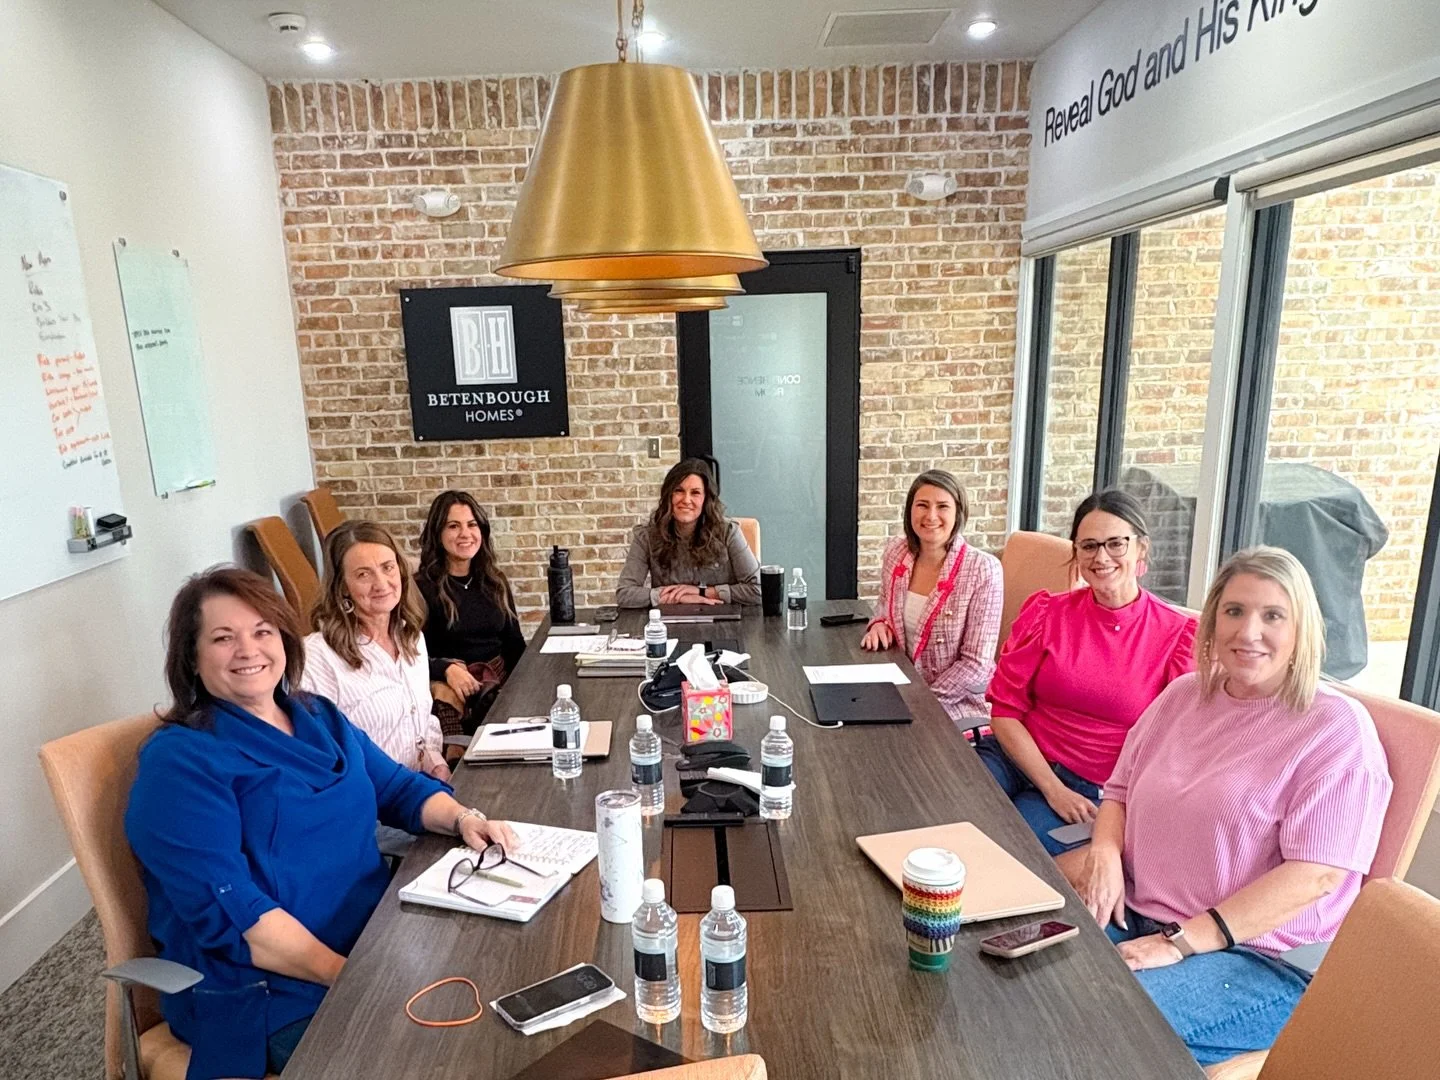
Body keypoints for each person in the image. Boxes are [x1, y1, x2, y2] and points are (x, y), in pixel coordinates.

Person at [125, 567, 515, 1079]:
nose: (248, 649)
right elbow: (239, 920)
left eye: (262, 631)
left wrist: (464, 818)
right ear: (191, 658)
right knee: (446, 1062)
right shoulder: (180, 763)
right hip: (277, 988)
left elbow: (397, 788)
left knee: (505, 995)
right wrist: (356, 979)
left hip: (377, 934)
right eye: (223, 638)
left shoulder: (317, 716)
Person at [1072, 546, 1392, 1067]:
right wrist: (1104, 854)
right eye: (1235, 611)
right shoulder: (1183, 695)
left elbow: (1316, 876)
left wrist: (1180, 943)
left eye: (1273, 616)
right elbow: (1120, 790)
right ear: (1213, 619)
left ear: (1301, 628)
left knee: (1094, 1028)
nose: (1249, 632)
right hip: (1138, 912)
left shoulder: (1336, 728)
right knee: (1018, 976)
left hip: (1257, 957)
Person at [981, 489, 1195, 855]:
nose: (1101, 557)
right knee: (944, 807)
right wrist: (1052, 788)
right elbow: (1005, 711)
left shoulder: (1177, 636)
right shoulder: (1047, 613)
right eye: (1089, 546)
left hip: (1089, 788)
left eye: (1116, 543)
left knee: (1011, 850)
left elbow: (1173, 747)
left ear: (1141, 549)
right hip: (1015, 756)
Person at [300, 520, 448, 781]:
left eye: (387, 568)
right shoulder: (317, 658)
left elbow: (423, 722)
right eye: (363, 574)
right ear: (342, 586)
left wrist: (437, 764)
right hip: (369, 798)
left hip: (420, 787)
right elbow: (316, 757)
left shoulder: (412, 638)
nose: (381, 583)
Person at [860, 469, 1002, 723]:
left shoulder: (983, 569)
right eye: (922, 505)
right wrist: (880, 623)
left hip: (954, 704)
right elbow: (884, 603)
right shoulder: (897, 551)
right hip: (899, 687)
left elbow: (976, 664)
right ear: (910, 511)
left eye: (942, 506)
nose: (931, 516)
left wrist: (920, 702)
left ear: (958, 513)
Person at [416, 491, 526, 736]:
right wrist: (445, 669)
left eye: (472, 524)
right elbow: (408, 657)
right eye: (453, 526)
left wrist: (527, 689)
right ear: (437, 533)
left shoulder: (495, 581)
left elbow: (514, 646)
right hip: (450, 693)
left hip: (497, 685)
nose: (465, 533)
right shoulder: (419, 588)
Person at [616, 458, 761, 608]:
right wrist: (676, 597)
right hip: (669, 620)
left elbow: (759, 590)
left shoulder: (729, 532)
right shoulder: (646, 536)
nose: (686, 500)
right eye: (679, 491)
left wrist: (704, 592)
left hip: (721, 619)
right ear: (669, 495)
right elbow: (625, 594)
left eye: (695, 493)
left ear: (706, 499)